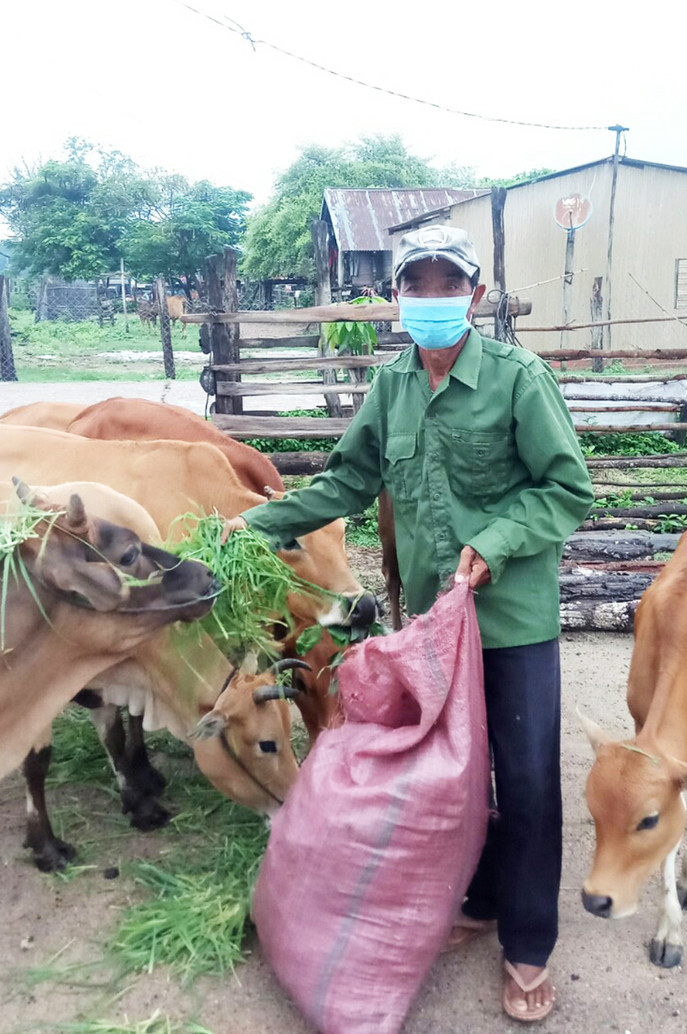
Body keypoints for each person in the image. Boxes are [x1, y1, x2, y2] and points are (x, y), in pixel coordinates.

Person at [222, 224, 593, 1023]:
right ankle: (486, 896)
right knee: (455, 778)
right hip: (432, 623)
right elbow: (350, 478)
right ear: (397, 299)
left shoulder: (518, 379)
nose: (431, 298)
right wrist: (258, 523)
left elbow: (567, 490)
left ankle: (527, 946)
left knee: (525, 782)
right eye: (415, 285)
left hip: (511, 619)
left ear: (476, 296)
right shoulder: (391, 388)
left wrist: (492, 545)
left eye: (446, 283)